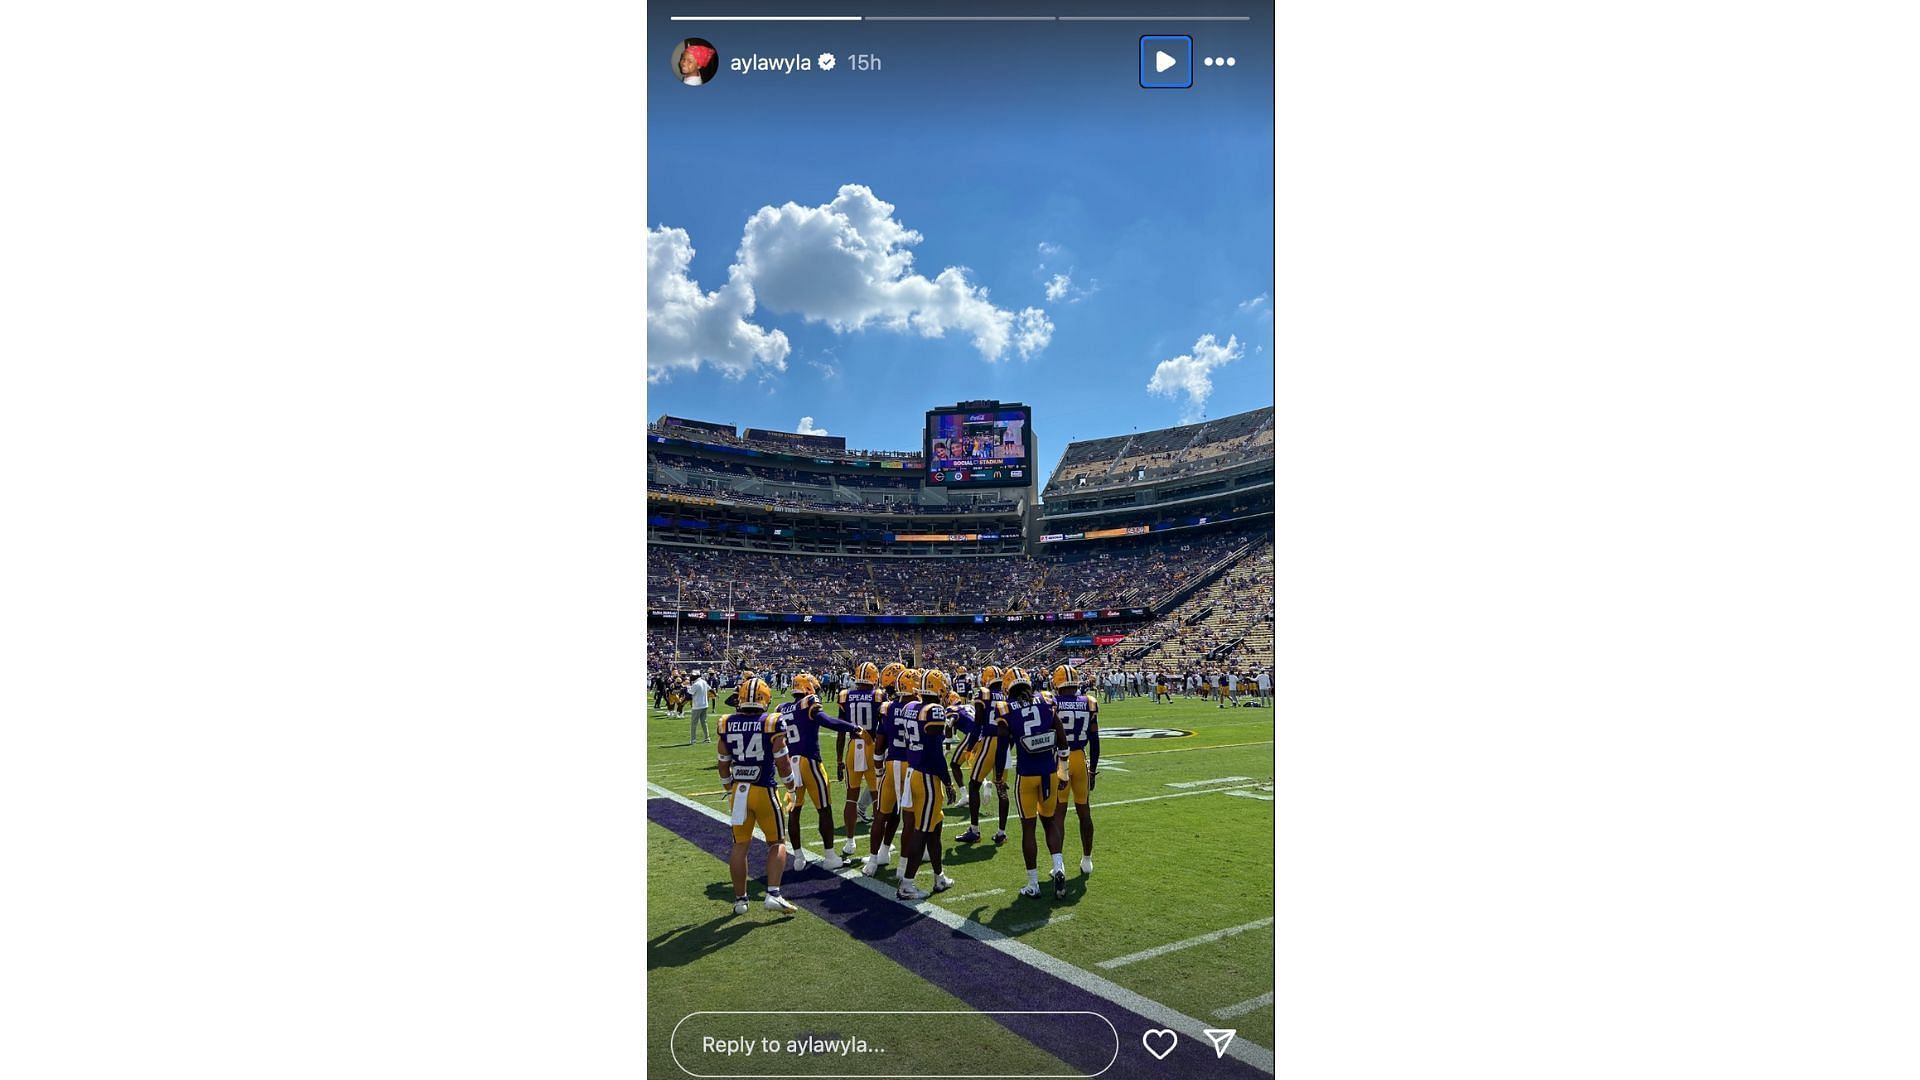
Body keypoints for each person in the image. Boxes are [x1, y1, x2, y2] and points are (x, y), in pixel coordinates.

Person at [714, 676, 799, 913]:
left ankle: (740, 900)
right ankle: (773, 893)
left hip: (738, 791)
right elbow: (783, 764)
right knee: (777, 843)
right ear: (765, 698)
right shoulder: (771, 722)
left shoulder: (726, 722)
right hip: (764, 789)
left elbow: (722, 764)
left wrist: (728, 788)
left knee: (740, 845)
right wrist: (792, 788)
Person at [774, 672, 857, 872]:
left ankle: (799, 858)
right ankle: (829, 856)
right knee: (824, 809)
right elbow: (826, 720)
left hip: (790, 762)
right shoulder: (809, 702)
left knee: (794, 810)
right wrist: (852, 727)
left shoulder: (781, 708)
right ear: (807, 688)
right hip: (809, 762)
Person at [1002, 667, 1069, 899]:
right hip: (1049, 772)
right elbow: (1062, 738)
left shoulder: (1007, 708)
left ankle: (1033, 884)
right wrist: (1064, 772)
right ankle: (1059, 868)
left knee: (1028, 828)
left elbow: (1003, 748)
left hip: (1026, 774)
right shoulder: (1047, 700)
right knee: (1050, 822)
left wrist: (999, 779)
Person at [892, 668, 957, 900]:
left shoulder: (910, 707)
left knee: (934, 828)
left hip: (914, 772)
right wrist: (948, 782)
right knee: (922, 830)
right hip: (928, 776)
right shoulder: (934, 710)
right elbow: (936, 753)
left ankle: (939, 876)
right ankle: (907, 884)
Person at [1050, 664, 1100, 876]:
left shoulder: (1052, 703)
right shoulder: (1088, 702)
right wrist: (1093, 769)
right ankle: (1087, 859)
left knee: (1058, 813)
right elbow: (1095, 741)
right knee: (1084, 811)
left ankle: (1058, 865)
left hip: (1060, 759)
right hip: (1080, 758)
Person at [958, 665, 1011, 846]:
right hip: (1005, 744)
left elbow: (978, 723)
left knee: (974, 784)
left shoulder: (984, 693)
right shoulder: (1006, 696)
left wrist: (970, 746)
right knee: (1001, 787)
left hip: (990, 741)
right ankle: (1001, 833)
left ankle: (974, 830)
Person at [688, 672, 712, 742]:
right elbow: (709, 689)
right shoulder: (703, 682)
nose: (691, 677)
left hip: (697, 706)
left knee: (694, 723)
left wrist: (686, 688)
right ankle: (707, 738)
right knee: (704, 722)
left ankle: (693, 739)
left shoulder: (696, 684)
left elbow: (690, 693)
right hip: (705, 704)